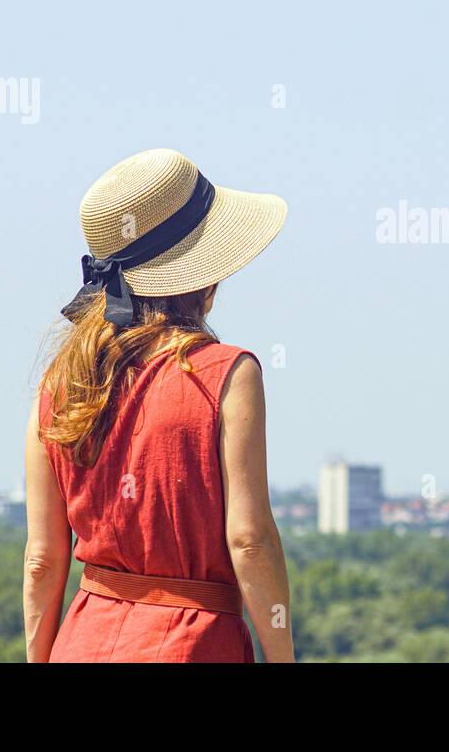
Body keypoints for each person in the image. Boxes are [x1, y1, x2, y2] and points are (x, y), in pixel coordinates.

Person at [22, 148, 294, 663]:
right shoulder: (229, 373)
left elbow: (41, 561)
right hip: (193, 645)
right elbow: (251, 541)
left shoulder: (59, 384)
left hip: (80, 643)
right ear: (204, 274)